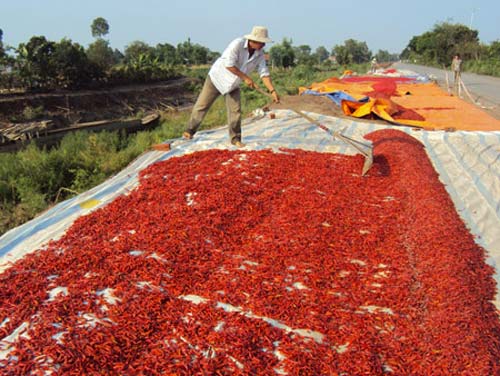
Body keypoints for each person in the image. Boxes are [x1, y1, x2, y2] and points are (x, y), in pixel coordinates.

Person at [183, 26, 280, 148]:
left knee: (235, 111)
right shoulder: (237, 44)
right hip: (217, 78)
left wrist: (272, 91)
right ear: (253, 41)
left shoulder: (260, 54)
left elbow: (264, 73)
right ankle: (189, 131)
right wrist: (245, 78)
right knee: (202, 105)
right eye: (262, 43)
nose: (263, 46)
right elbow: (229, 64)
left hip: (233, 84)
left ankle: (235, 139)